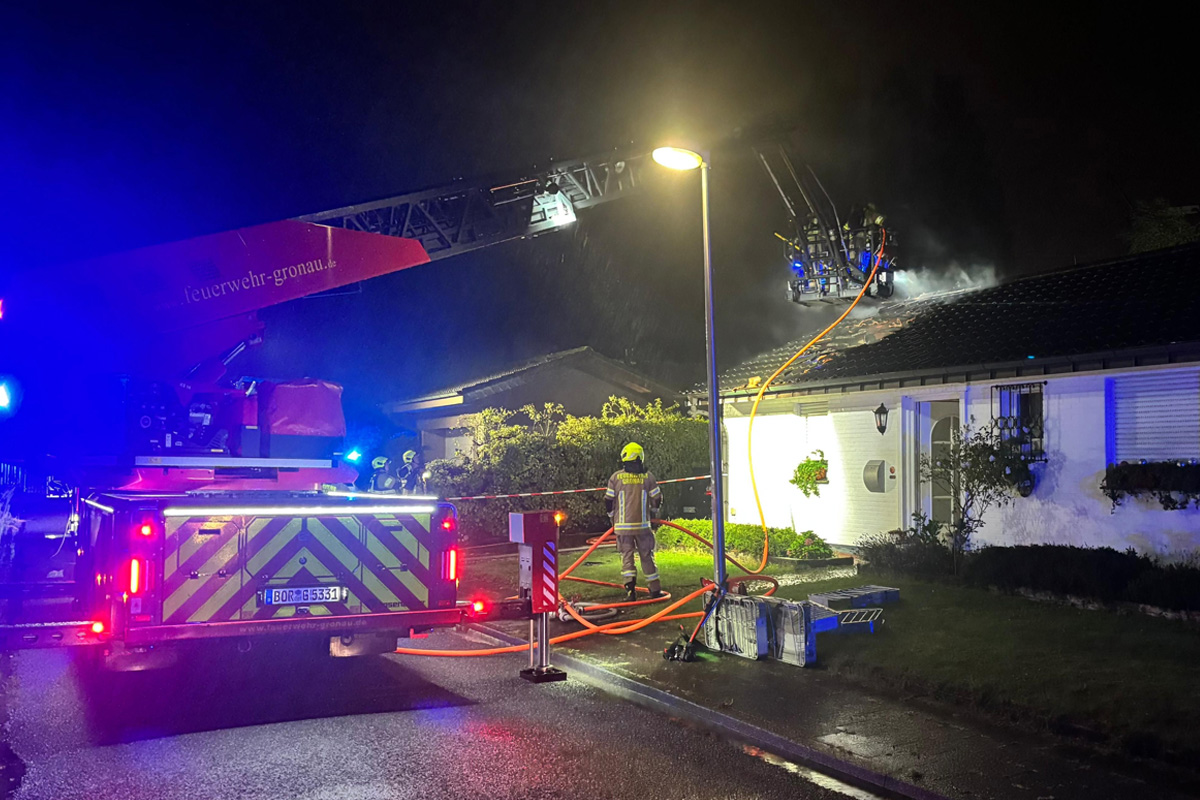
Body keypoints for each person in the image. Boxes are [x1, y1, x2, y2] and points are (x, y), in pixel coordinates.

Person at [605, 442, 663, 601]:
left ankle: (630, 592)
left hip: (622, 527)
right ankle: (655, 590)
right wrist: (654, 511)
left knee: (627, 557)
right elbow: (657, 498)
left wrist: (611, 516)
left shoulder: (615, 477)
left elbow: (608, 500)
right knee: (647, 556)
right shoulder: (648, 477)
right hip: (643, 526)